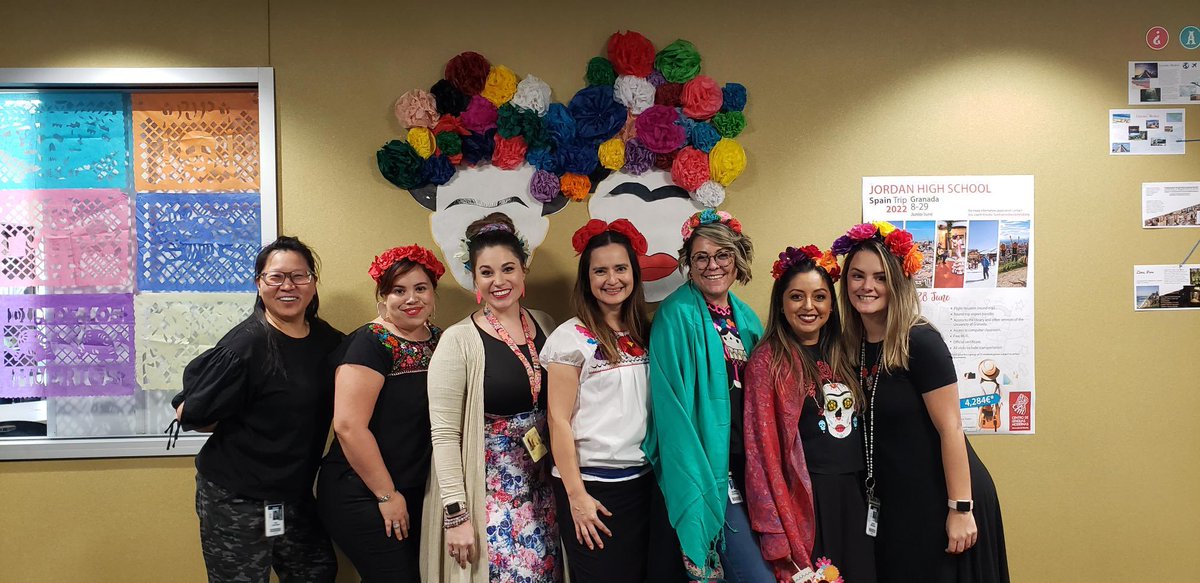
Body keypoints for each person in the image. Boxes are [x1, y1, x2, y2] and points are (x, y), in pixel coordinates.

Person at [833, 222, 1009, 582]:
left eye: (880, 277)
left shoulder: (920, 341)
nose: (867, 286)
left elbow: (952, 428)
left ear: (898, 283)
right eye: (857, 276)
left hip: (944, 498)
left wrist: (960, 508)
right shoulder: (851, 346)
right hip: (897, 500)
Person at [171, 236, 343, 583]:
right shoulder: (245, 345)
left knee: (317, 573)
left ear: (313, 282)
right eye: (276, 277)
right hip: (236, 495)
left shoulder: (328, 341)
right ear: (259, 284)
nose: (288, 286)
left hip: (293, 494)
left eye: (299, 276)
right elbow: (189, 413)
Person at [542, 219, 686, 582]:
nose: (612, 279)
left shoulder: (646, 332)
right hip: (593, 488)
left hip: (645, 484)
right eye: (600, 271)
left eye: (620, 268)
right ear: (586, 278)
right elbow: (558, 421)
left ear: (634, 273)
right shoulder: (569, 338)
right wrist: (577, 498)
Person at [421, 212, 561, 583]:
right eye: (486, 272)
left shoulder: (545, 324)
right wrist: (457, 516)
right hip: (491, 495)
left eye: (508, 268)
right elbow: (444, 435)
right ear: (475, 279)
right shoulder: (458, 341)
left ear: (523, 270)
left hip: (543, 488)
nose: (498, 281)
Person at [643, 209, 773, 582]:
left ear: (737, 257)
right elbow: (671, 410)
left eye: (722, 255)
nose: (712, 265)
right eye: (701, 257)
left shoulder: (747, 318)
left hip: (748, 467)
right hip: (708, 470)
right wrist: (695, 479)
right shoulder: (675, 316)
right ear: (689, 262)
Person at [743, 245, 876, 583]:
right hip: (808, 501)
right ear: (781, 303)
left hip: (856, 494)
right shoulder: (768, 362)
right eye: (796, 297)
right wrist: (775, 530)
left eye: (819, 297)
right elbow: (760, 453)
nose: (808, 306)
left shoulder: (846, 352)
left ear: (831, 305)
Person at [315, 245, 446, 582]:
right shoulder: (371, 343)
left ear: (433, 292)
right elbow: (348, 427)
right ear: (383, 297)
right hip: (363, 491)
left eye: (420, 288)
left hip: (414, 488)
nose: (411, 299)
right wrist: (387, 495)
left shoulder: (440, 340)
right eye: (398, 291)